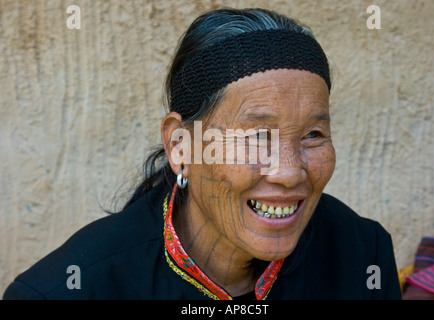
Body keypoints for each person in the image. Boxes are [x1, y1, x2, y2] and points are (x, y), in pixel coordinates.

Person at [3, 8, 402, 300]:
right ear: (181, 146)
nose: (289, 172)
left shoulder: (362, 255)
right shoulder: (67, 290)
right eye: (258, 135)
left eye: (313, 134)